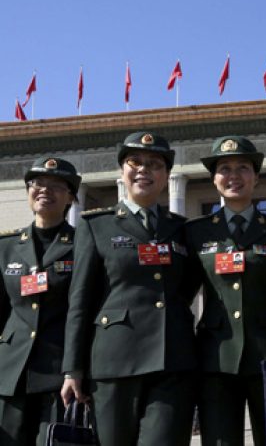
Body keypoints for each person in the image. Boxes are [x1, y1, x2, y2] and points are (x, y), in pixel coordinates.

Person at [61, 132, 200, 446]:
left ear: (166, 176)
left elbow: (187, 286)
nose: (143, 170)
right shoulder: (97, 225)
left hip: (171, 360)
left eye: (154, 165)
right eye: (134, 162)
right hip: (114, 361)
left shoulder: (180, 228)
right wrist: (73, 369)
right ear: (122, 171)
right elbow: (80, 301)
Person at [185, 136, 266, 445]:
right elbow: (179, 293)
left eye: (243, 168)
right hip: (216, 358)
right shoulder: (195, 232)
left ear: (256, 177)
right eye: (224, 169)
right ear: (214, 180)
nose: (234, 176)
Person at [0, 158, 80, 445]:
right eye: (38, 184)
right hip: (11, 372)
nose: (45, 191)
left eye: (57, 186)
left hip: (57, 374)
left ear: (70, 197)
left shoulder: (82, 243)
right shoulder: (6, 246)